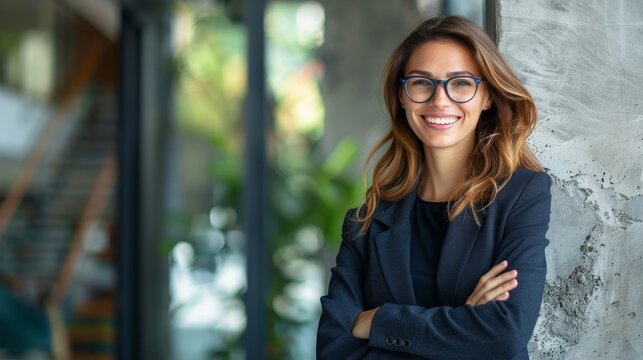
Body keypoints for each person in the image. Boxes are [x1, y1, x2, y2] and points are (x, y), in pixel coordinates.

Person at [316, 15, 552, 360]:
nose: (440, 100)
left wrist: (380, 320)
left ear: (486, 95)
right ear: (402, 96)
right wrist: (463, 325)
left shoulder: (521, 196)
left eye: (460, 83)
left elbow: (504, 336)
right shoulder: (366, 222)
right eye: (422, 83)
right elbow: (333, 348)